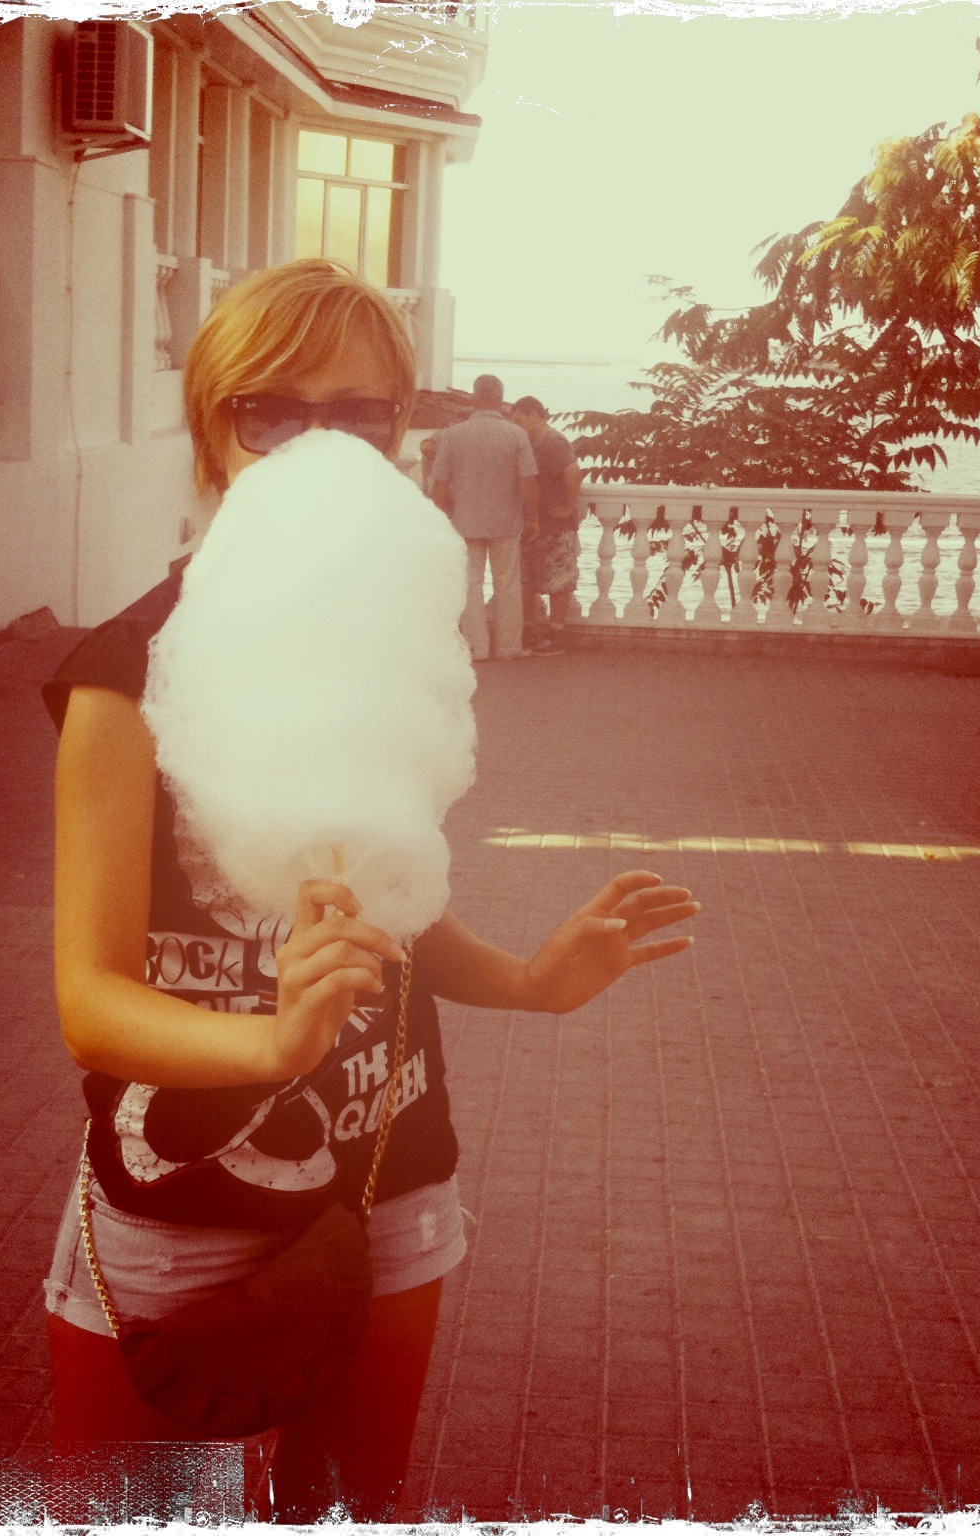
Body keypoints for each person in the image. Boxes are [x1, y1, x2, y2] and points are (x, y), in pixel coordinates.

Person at [42, 259, 698, 1521]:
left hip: (387, 1176)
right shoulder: (122, 680)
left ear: (401, 432)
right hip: (175, 1193)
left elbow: (387, 908)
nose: (319, 448)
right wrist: (268, 1042)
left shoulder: (388, 645)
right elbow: (91, 1001)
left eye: (358, 414)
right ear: (210, 429)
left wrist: (527, 982)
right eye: (271, 413)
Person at [428, 375, 537, 662]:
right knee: (507, 584)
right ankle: (508, 646)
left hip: (465, 521)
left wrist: (434, 519)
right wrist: (533, 516)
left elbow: (440, 483)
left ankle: (477, 647)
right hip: (506, 520)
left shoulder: (452, 434)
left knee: (470, 584)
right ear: (501, 399)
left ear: (475, 398)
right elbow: (528, 481)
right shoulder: (516, 435)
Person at [510, 396, 583, 655]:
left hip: (556, 525)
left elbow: (573, 471)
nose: (517, 426)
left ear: (534, 415)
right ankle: (529, 630)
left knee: (558, 580)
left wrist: (569, 507)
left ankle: (556, 634)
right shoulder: (530, 443)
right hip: (533, 523)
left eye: (519, 420)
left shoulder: (553, 442)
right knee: (527, 580)